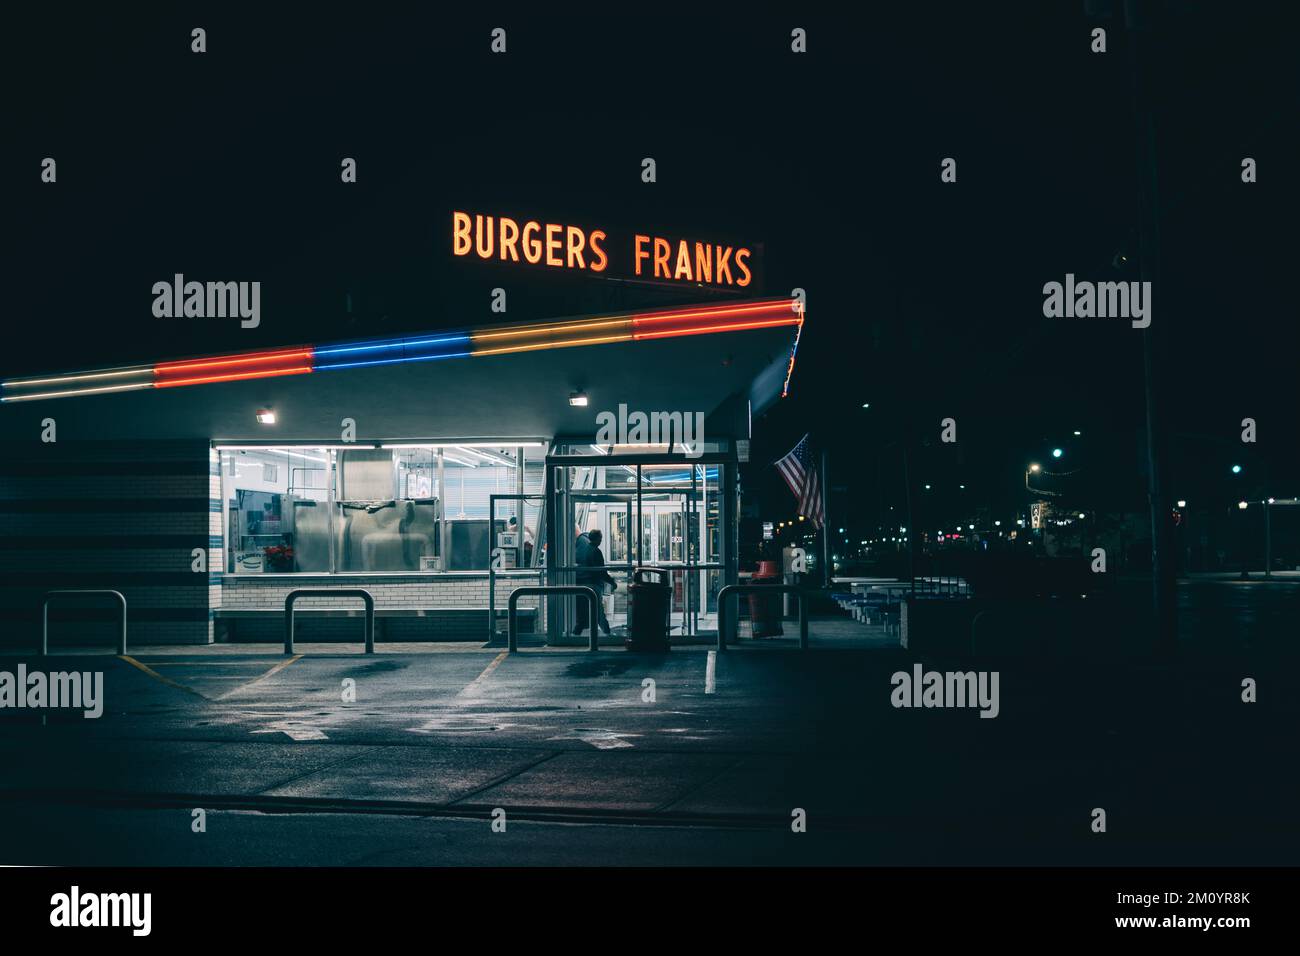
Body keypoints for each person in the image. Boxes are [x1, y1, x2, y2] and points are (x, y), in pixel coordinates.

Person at [575, 528, 616, 637]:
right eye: (601, 538)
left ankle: (576, 633)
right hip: (593, 584)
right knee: (599, 612)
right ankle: (608, 633)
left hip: (583, 583)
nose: (601, 540)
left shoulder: (586, 549)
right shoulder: (596, 551)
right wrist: (612, 582)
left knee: (584, 613)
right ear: (597, 538)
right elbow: (601, 571)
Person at [573, 525, 592, 633]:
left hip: (584, 580)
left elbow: (582, 562)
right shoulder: (585, 540)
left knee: (582, 609)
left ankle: (579, 631)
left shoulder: (582, 542)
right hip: (587, 580)